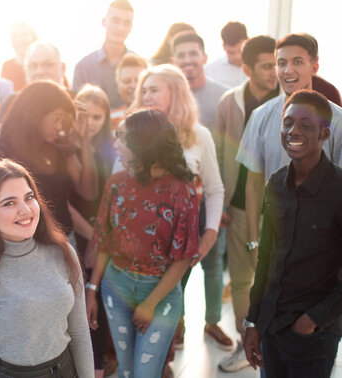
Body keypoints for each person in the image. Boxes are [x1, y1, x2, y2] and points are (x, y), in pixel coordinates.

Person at [0, 158, 94, 377]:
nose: (25, 210)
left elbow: (80, 333)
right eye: (9, 203)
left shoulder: (63, 252)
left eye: (29, 197)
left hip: (66, 370)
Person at [86, 109, 199, 377]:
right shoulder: (117, 183)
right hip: (116, 288)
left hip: (160, 294)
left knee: (145, 374)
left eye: (122, 138)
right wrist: (92, 288)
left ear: (143, 143)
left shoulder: (182, 190)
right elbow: (104, 241)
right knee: (126, 372)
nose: (116, 143)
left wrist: (151, 304)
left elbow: (184, 258)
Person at [244, 90, 342, 377]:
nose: (293, 131)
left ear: (325, 133)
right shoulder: (276, 183)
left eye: (305, 125)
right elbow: (266, 258)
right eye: (288, 123)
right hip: (271, 323)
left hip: (313, 333)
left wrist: (313, 320)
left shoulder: (339, 190)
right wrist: (253, 321)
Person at [131, 64, 227, 349]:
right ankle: (158, 354)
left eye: (154, 90)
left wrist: (209, 235)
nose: (147, 96)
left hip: (185, 233)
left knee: (173, 293)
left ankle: (166, 350)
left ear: (176, 93)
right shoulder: (132, 133)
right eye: (144, 90)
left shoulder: (199, 135)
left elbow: (215, 189)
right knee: (144, 302)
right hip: (141, 236)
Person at [236, 34, 342, 275]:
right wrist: (253, 241)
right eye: (281, 63)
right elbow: (253, 184)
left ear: (315, 66)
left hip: (324, 242)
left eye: (297, 62)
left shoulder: (338, 121)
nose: (287, 70)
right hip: (274, 238)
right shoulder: (261, 117)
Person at [0, 80, 98, 236]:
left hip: (64, 243)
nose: (60, 127)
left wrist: (85, 141)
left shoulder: (61, 149)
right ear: (35, 115)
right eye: (56, 119)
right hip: (24, 249)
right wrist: (3, 229)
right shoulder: (3, 153)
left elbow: (88, 192)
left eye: (63, 121)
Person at [215, 35, 279, 372]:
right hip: (238, 206)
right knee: (241, 280)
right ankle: (246, 343)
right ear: (247, 69)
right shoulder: (231, 102)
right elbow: (222, 152)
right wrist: (222, 201)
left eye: (277, 64)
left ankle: (274, 346)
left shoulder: (290, 101)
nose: (275, 72)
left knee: (275, 280)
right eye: (267, 66)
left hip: (279, 208)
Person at [69, 84, 115, 377]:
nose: (90, 124)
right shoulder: (66, 149)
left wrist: (102, 237)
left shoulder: (112, 148)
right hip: (78, 230)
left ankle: (101, 362)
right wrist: (92, 237)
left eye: (97, 118)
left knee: (100, 297)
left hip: (108, 231)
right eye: (84, 116)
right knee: (80, 299)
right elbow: (70, 201)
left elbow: (110, 196)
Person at [72, 0, 134, 108]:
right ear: (104, 22)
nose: (120, 28)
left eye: (126, 23)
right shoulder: (83, 67)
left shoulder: (141, 67)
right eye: (115, 21)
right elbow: (78, 109)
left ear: (131, 27)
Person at [173, 32, 228, 132]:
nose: (187, 60)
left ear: (205, 58)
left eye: (193, 54)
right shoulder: (167, 96)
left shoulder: (224, 96)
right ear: (174, 62)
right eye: (181, 55)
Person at [111, 53, 149, 132]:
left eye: (138, 80)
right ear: (118, 85)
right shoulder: (108, 121)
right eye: (127, 81)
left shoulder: (159, 118)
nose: (133, 86)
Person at [205, 22, 249, 88]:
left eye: (240, 51)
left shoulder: (261, 67)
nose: (237, 57)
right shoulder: (211, 71)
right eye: (231, 53)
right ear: (224, 46)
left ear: (248, 41)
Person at [1, 21, 37, 92]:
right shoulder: (7, 67)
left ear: (33, 36)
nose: (19, 40)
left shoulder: (46, 64)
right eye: (15, 36)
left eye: (24, 35)